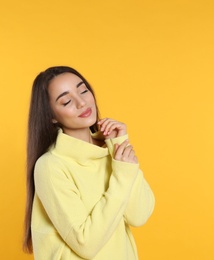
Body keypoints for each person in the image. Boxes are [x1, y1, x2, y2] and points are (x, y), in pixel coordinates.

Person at [23, 66, 155, 259]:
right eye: (67, 101)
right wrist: (121, 175)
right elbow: (86, 244)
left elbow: (139, 216)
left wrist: (119, 144)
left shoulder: (110, 152)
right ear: (51, 116)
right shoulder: (51, 166)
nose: (81, 102)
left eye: (83, 90)